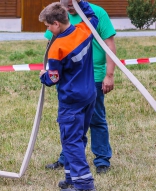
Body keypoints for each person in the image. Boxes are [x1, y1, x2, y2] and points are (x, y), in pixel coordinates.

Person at [45, 0, 116, 174]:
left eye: (70, 2)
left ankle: (101, 160)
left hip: (93, 76)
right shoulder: (59, 14)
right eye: (64, 2)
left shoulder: (96, 13)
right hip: (68, 81)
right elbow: (51, 45)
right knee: (71, 124)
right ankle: (67, 159)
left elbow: (109, 44)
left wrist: (109, 74)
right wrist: (49, 70)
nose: (67, 5)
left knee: (96, 119)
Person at [39, 0, 98, 191]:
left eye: (48, 26)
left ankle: (84, 184)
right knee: (78, 137)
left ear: (56, 23)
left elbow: (53, 77)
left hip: (71, 100)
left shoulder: (58, 48)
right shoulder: (84, 31)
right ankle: (71, 177)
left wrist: (44, 77)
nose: (48, 30)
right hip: (89, 95)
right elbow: (93, 18)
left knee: (71, 140)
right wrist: (81, 3)